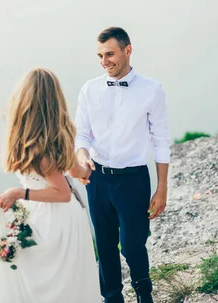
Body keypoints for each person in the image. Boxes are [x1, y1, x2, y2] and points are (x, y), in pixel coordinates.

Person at [75, 27, 171, 303]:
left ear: (128, 50)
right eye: (100, 56)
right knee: (104, 246)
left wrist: (162, 187)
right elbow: (81, 134)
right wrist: (82, 157)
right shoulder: (89, 90)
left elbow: (161, 139)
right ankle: (112, 299)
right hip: (98, 179)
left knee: (132, 244)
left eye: (110, 54)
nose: (104, 61)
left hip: (133, 180)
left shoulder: (152, 90)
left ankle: (144, 295)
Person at [0, 68, 100, 303]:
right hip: (60, 220)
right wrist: (86, 169)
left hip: (40, 215)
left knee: (41, 284)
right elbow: (63, 192)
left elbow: (67, 176)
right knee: (67, 285)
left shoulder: (21, 140)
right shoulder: (52, 139)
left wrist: (84, 169)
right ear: (54, 99)